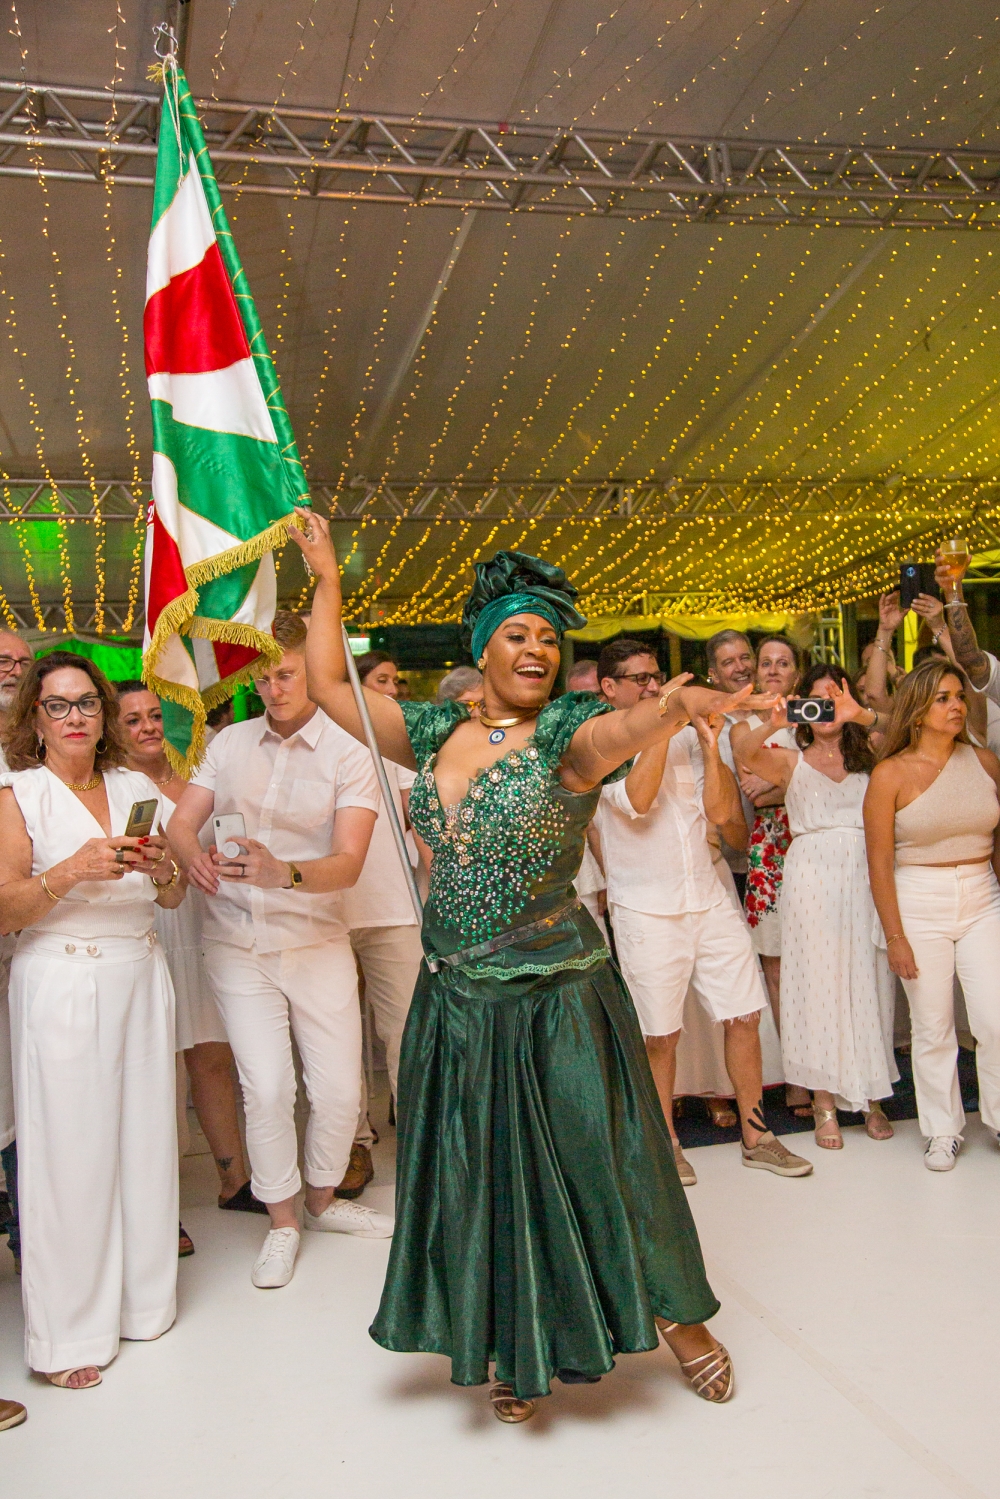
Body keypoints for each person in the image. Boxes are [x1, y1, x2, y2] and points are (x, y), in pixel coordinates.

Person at [290, 516, 788, 1422]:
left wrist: (672, 708)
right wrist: (327, 576)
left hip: (559, 991)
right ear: (482, 648)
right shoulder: (434, 728)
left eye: (550, 639)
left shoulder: (567, 732)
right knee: (484, 1174)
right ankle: (509, 1344)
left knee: (608, 1159)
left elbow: (620, 732)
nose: (536, 649)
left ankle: (681, 1320)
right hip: (458, 997)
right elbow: (329, 684)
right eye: (517, 633)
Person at [169, 612, 389, 1290]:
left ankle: (323, 1198)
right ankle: (283, 1221)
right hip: (236, 941)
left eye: (286, 673)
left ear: (311, 671)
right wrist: (192, 857)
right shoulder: (229, 742)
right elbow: (182, 822)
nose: (273, 688)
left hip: (317, 937)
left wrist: (282, 872)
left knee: (340, 1089)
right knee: (265, 1086)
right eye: (262, 677)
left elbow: (348, 863)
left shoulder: (350, 752)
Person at [0, 651, 184, 1389]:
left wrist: (160, 867)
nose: (74, 716)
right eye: (58, 704)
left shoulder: (136, 785)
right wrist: (71, 870)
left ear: (104, 715)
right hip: (62, 976)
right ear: (35, 718)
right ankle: (68, 1332)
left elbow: (173, 895)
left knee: (145, 1141)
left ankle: (143, 1302)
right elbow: (5, 908)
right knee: (69, 1153)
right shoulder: (19, 792)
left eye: (86, 703)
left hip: (141, 971)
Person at [596, 640, 811, 1186]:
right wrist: (660, 726)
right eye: (640, 680)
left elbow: (720, 812)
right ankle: (666, 1144)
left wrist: (711, 747)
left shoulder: (690, 736)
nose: (653, 687)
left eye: (656, 677)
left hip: (708, 897)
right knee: (660, 1035)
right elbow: (638, 801)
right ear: (609, 688)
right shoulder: (600, 742)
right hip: (645, 908)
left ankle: (757, 1136)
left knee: (744, 1014)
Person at [116, 683, 258, 1227]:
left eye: (154, 715)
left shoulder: (197, 777)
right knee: (156, 1072)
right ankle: (158, 1208)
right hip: (151, 924)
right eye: (132, 720)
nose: (148, 727)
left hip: (204, 921)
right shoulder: (111, 786)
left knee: (213, 1057)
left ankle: (235, 1180)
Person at [739, 664, 896, 1149]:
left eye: (835, 696)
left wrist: (861, 714)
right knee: (816, 984)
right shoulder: (792, 761)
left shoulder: (873, 752)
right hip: (810, 875)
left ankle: (871, 1097)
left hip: (865, 872)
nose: (827, 708)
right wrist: (776, 721)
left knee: (869, 979)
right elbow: (743, 753)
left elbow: (904, 729)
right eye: (818, 699)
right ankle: (824, 1101)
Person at [864, 658, 1000, 1171]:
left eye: (959, 696)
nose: (956, 706)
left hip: (983, 894)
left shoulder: (984, 762)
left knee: (994, 1017)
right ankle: (942, 1130)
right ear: (918, 710)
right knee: (933, 1024)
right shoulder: (890, 773)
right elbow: (878, 862)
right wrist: (895, 935)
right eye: (943, 698)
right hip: (919, 899)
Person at [339, 644, 423, 1198]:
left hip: (393, 904)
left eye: (397, 681)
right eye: (381, 681)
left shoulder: (394, 740)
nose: (392, 690)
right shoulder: (316, 737)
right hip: (329, 909)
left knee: (408, 1033)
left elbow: (422, 822)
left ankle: (423, 1148)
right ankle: (352, 1143)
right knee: (340, 1037)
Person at [731, 637, 811, 1117]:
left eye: (784, 662)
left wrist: (779, 779)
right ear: (757, 673)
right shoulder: (746, 728)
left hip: (812, 845)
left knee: (818, 961)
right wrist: (799, 780)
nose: (774, 669)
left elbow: (840, 777)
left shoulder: (815, 719)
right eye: (766, 663)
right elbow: (754, 792)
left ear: (797, 672)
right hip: (769, 852)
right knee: (777, 969)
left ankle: (828, 1070)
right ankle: (795, 1076)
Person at [0, 632, 32, 1279]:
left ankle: (32, 1241)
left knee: (23, 1102)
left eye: (24, 663)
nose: (14, 671)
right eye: (3, 662)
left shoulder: (37, 749)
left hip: (30, 945)